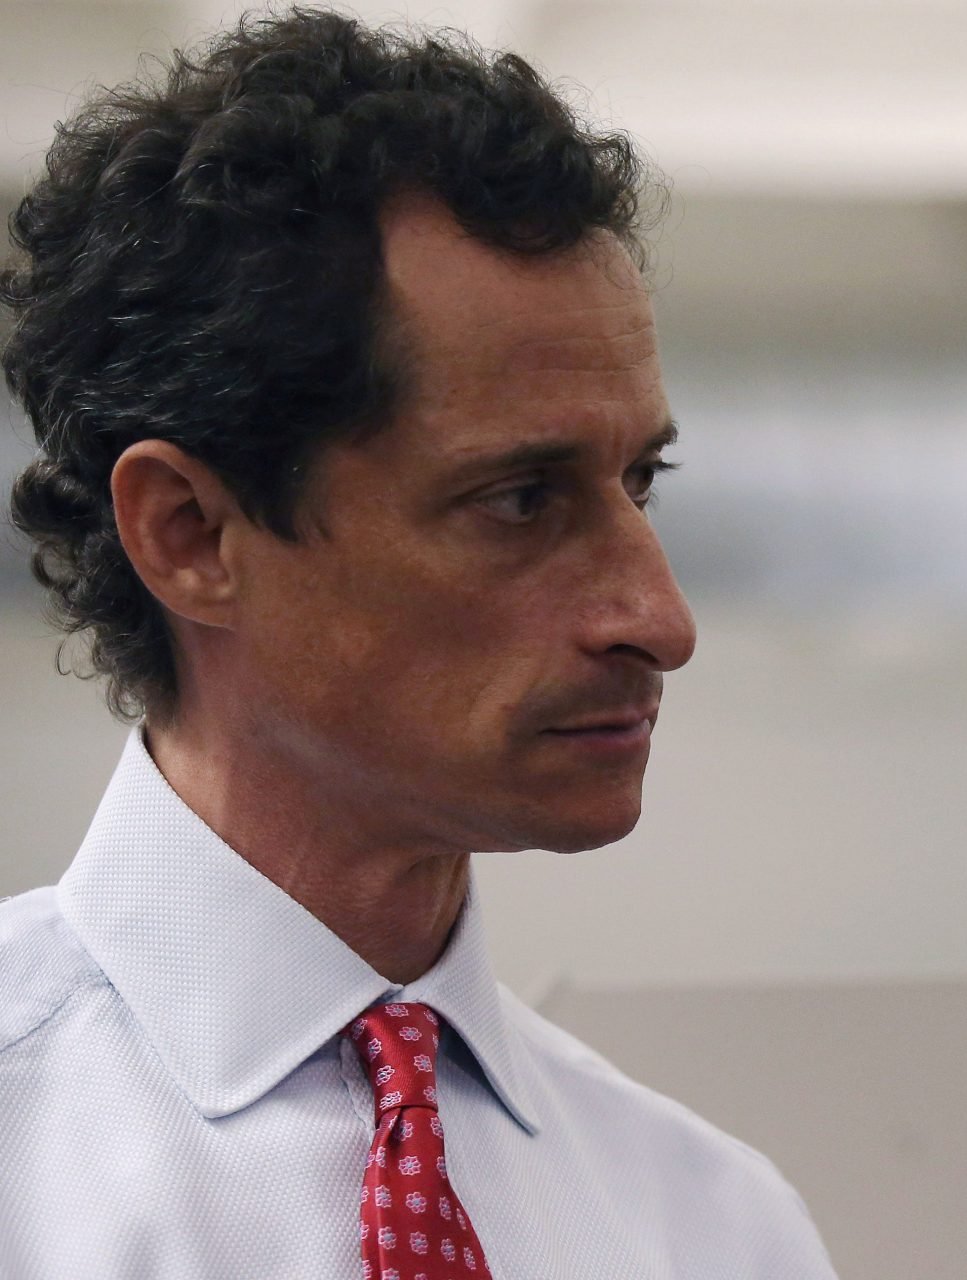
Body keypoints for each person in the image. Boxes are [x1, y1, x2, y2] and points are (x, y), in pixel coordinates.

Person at [0, 11, 836, 1277]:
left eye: (637, 483)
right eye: (518, 499)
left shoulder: (710, 1223)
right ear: (190, 532)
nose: (658, 619)